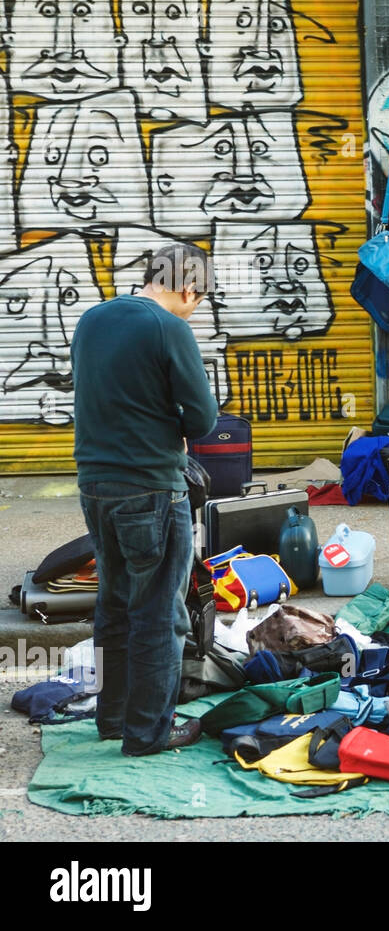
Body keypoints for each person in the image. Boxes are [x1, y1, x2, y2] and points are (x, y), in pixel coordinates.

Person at [72, 242, 219, 756]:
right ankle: (148, 733)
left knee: (113, 604)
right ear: (186, 288)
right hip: (152, 487)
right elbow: (202, 418)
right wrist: (176, 431)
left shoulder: (92, 319)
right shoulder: (168, 327)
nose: (194, 309)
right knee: (161, 612)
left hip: (94, 485)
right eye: (197, 300)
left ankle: (112, 719)